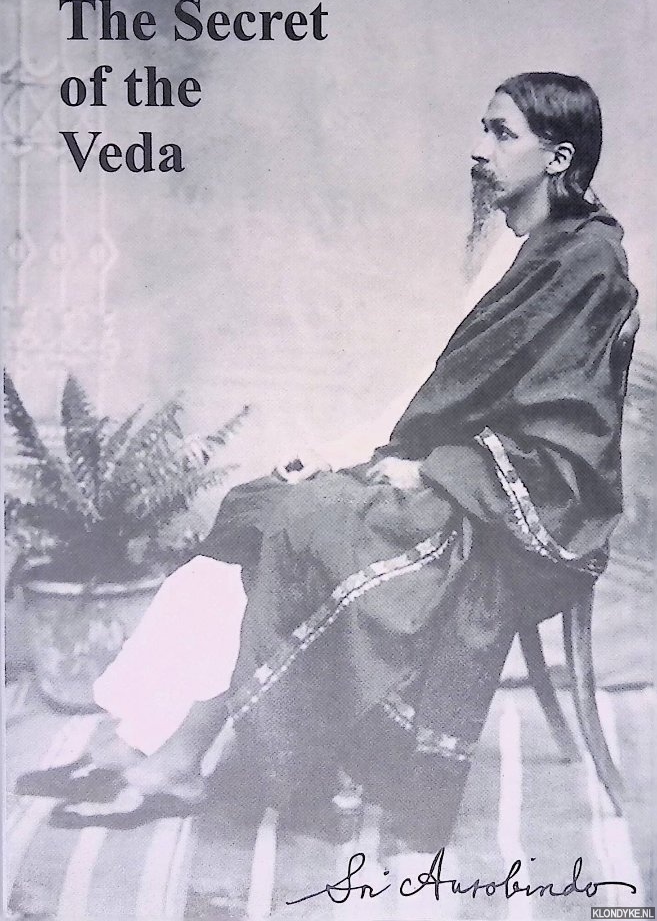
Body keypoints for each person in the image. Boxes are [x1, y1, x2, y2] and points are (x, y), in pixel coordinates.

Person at [19, 73, 637, 851]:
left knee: (298, 527)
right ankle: (133, 736)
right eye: (482, 128)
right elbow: (446, 390)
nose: (478, 150)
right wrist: (350, 453)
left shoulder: (587, 262)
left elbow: (563, 435)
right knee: (255, 506)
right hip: (451, 474)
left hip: (510, 512)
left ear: (558, 157)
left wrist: (433, 468)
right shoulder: (527, 249)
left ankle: (178, 761)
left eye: (501, 134)